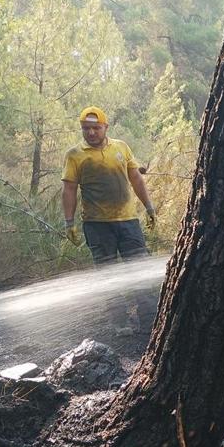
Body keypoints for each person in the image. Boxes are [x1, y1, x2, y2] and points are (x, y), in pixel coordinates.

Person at [62, 105, 157, 333]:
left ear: (105, 127)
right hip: (96, 225)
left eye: (96, 128)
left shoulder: (121, 148)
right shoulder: (75, 155)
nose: (91, 133)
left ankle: (150, 321)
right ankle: (119, 322)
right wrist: (69, 222)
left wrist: (149, 207)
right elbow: (69, 190)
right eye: (86, 129)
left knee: (139, 270)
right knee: (107, 275)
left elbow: (136, 179)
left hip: (128, 221)